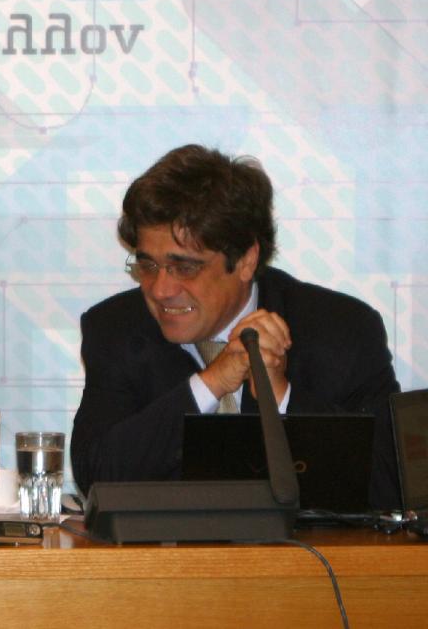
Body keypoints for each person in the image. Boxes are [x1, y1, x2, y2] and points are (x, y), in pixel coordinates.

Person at [71, 144, 401, 508]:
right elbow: (97, 477)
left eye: (185, 267)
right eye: (148, 265)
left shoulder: (341, 329)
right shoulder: (114, 329)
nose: (160, 289)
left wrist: (281, 396)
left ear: (245, 260)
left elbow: (394, 484)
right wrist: (211, 383)